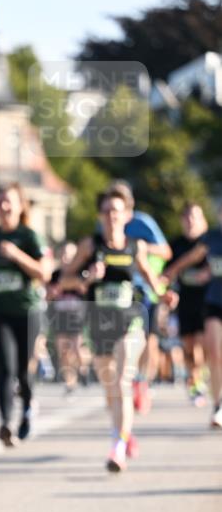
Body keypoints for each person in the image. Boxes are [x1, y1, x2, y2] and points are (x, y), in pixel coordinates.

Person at [66, 191, 176, 471]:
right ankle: (124, 433)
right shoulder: (91, 246)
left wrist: (164, 295)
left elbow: (151, 280)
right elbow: (65, 277)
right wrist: (87, 278)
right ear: (100, 216)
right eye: (106, 211)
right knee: (111, 389)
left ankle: (117, 446)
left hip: (130, 319)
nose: (112, 216)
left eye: (117, 210)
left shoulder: (135, 246)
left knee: (122, 381)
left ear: (127, 215)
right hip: (100, 322)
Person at [0, 183, 51, 446]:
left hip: (27, 311)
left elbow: (44, 272)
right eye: (0, 201)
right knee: (5, 368)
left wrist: (16, 255)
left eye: (9, 201)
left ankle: (28, 411)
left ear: (21, 206)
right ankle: (6, 423)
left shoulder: (29, 237)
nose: (4, 206)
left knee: (24, 370)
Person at [106, 181, 172, 414]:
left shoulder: (143, 223)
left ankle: (142, 382)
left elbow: (166, 251)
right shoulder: (105, 223)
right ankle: (127, 381)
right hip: (116, 294)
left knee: (148, 340)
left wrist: (144, 248)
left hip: (145, 290)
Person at [163, 203, 222, 428]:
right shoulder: (212, 238)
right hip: (214, 302)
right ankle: (218, 406)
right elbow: (191, 257)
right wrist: (170, 272)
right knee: (214, 353)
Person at [47, 241, 90, 395]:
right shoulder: (56, 274)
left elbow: (85, 288)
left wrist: (72, 284)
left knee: (76, 347)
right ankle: (69, 382)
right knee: (62, 351)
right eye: (64, 254)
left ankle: (83, 370)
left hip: (76, 315)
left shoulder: (80, 272)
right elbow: (50, 293)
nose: (66, 257)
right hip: (60, 315)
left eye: (69, 254)